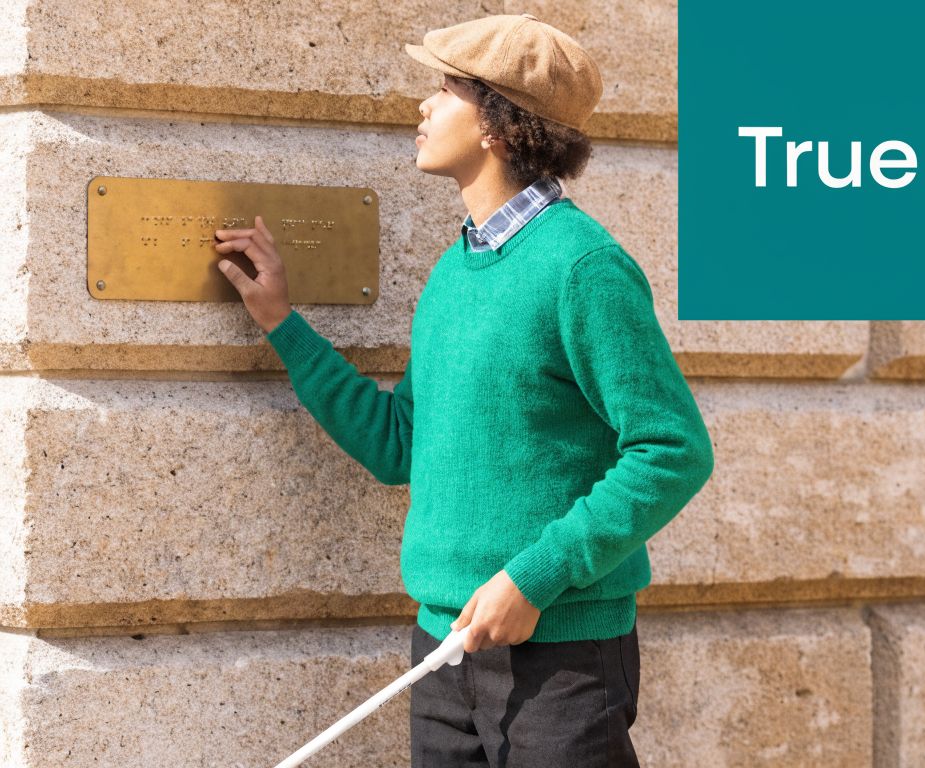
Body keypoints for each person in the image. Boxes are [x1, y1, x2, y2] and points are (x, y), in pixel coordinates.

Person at [211, 13, 714, 767]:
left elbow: (673, 450)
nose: (424, 105)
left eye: (446, 90)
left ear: (497, 125)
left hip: (561, 664)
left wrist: (533, 579)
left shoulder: (582, 268)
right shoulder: (454, 272)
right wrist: (283, 324)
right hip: (441, 651)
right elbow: (399, 445)